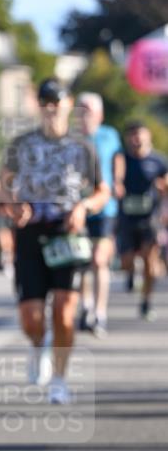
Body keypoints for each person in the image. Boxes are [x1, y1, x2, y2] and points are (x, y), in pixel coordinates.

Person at [1, 78, 109, 404]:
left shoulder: (83, 147)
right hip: (31, 234)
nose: (51, 108)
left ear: (68, 104)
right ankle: (39, 344)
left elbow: (102, 191)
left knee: (64, 311)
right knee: (31, 317)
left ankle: (60, 380)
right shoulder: (22, 144)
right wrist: (13, 205)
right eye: (45, 102)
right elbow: (3, 182)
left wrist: (84, 207)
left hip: (67, 233)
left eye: (56, 102)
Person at [73, 93, 124, 337]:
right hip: (77, 207)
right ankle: (86, 306)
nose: (85, 115)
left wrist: (118, 181)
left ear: (99, 114)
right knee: (82, 260)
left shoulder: (109, 135)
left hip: (105, 206)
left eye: (89, 110)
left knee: (99, 259)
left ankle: (100, 313)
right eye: (81, 110)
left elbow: (118, 160)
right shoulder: (70, 137)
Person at [116, 120, 167, 321]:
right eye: (132, 135)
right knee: (126, 262)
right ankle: (130, 273)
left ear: (148, 136)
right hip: (126, 218)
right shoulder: (121, 159)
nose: (136, 139)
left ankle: (146, 302)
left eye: (140, 134)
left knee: (150, 263)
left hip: (150, 218)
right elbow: (114, 180)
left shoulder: (158, 160)